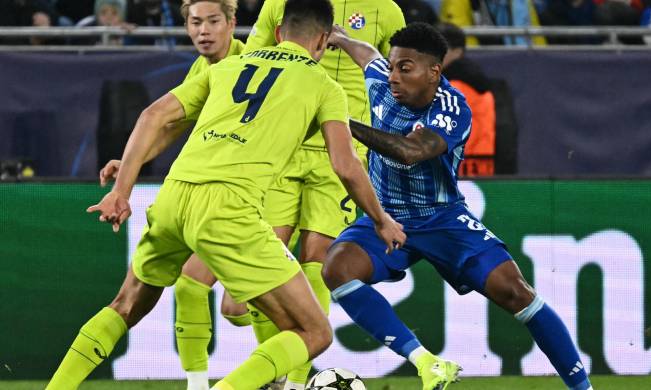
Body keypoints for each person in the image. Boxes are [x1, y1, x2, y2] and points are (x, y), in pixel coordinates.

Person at [45, 1, 405, 389]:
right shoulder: (324, 86)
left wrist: (122, 190)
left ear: (279, 32)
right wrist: (382, 220)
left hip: (174, 196)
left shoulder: (227, 68)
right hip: (228, 209)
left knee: (126, 304)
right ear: (323, 41)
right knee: (313, 332)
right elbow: (346, 165)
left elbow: (154, 116)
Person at [324, 22, 594, 390]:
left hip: (442, 219)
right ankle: (426, 362)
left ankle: (583, 388)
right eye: (392, 67)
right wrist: (340, 39)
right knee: (337, 269)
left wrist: (339, 124)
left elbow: (412, 153)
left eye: (405, 68)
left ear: (434, 71)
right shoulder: (382, 83)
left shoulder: (453, 107)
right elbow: (368, 56)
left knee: (516, 292)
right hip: (385, 216)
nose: (393, 77)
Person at [215, 1, 405, 388]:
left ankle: (294, 381)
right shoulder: (280, 6)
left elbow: (397, 78)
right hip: (283, 146)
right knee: (257, 273)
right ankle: (275, 372)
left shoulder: (386, 9)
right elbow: (253, 67)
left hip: (344, 147)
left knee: (317, 257)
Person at [97, 1, 247, 388]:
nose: (204, 31)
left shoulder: (245, 67)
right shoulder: (204, 68)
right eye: (195, 23)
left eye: (213, 21)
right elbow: (170, 125)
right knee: (194, 286)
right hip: (217, 198)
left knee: (241, 304)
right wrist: (131, 161)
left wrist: (123, 185)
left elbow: (155, 117)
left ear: (233, 23)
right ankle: (202, 384)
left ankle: (286, 371)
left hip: (260, 195)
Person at [438, 22, 496, 177]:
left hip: (461, 170)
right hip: (481, 166)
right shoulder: (473, 79)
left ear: (457, 51)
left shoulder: (454, 87)